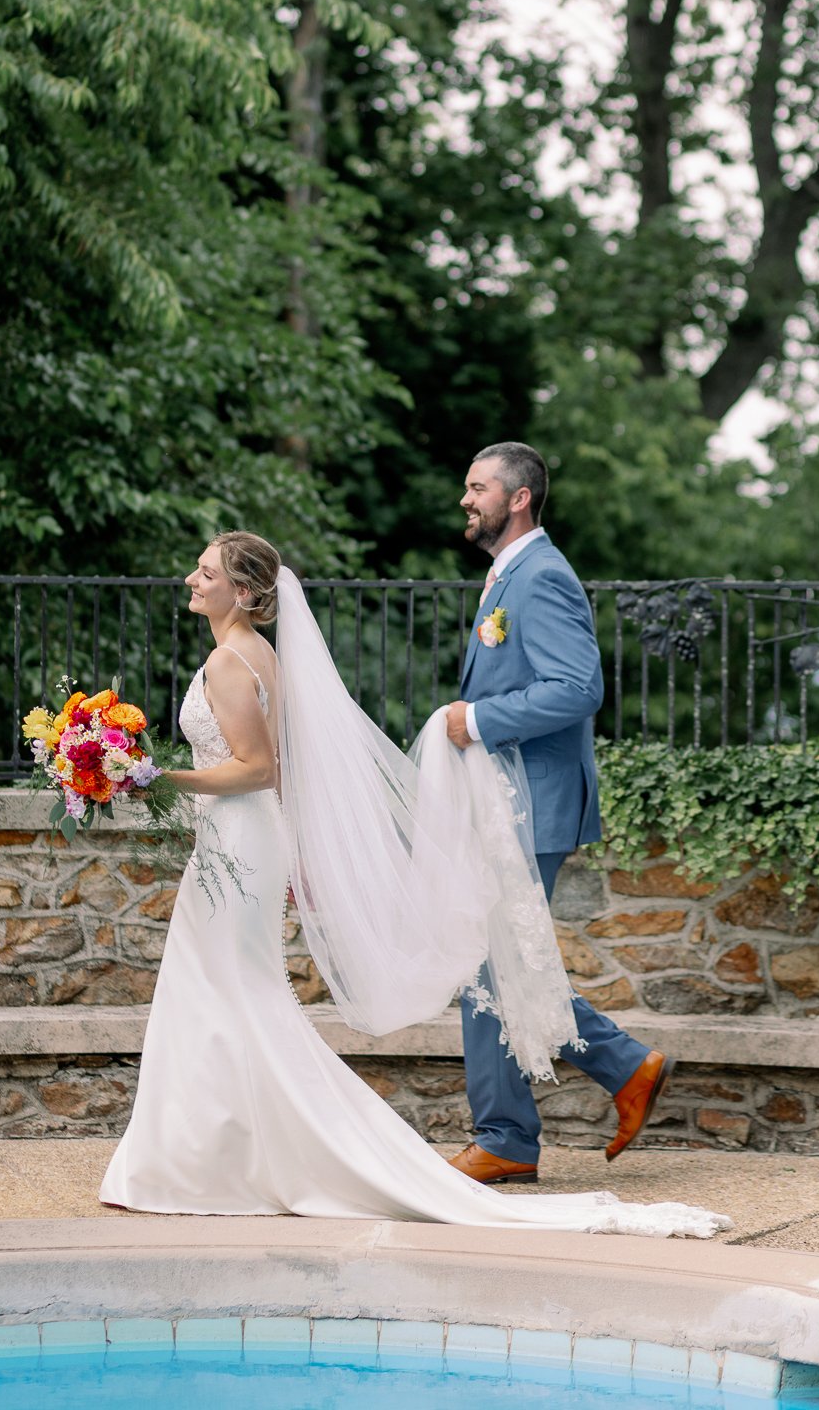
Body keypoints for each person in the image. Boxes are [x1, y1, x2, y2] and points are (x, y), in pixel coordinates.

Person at [100, 528, 727, 1239]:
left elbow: (257, 768)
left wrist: (149, 778)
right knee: (231, 991)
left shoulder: (229, 661)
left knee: (234, 988)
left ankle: (226, 1156)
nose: (191, 578)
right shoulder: (263, 655)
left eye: (205, 571)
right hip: (243, 841)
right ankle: (215, 1153)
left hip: (247, 841)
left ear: (242, 592)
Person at [444, 442, 675, 1185]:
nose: (465, 500)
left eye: (477, 488)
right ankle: (617, 1069)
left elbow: (577, 689)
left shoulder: (540, 576)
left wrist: (476, 722)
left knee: (490, 965)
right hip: (509, 803)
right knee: (499, 963)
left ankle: (509, 1134)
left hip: (532, 804)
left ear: (518, 498)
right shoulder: (507, 575)